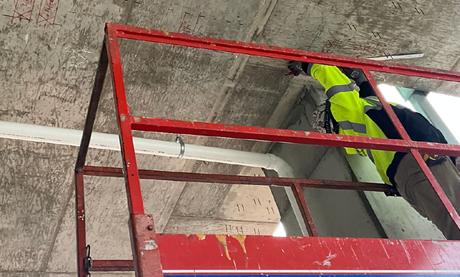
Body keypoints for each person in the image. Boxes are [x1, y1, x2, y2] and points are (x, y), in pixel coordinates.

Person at [287, 61, 460, 240]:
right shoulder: (349, 116)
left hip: (425, 165)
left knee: (450, 217)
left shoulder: (364, 126)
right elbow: (335, 83)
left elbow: (372, 103)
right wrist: (308, 65)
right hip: (424, 162)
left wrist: (363, 82)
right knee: (453, 221)